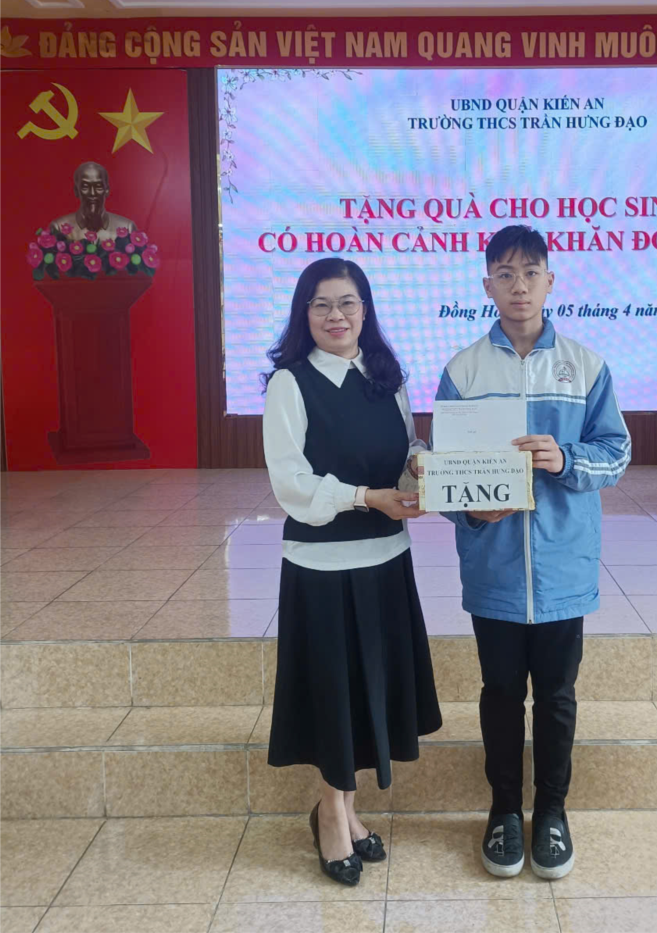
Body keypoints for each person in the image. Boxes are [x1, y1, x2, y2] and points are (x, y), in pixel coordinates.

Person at [435, 225, 630, 881]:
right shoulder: (463, 370)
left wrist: (564, 458)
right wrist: (469, 508)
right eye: (505, 274)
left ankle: (551, 812)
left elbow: (616, 453)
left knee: (555, 695)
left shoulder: (585, 365)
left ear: (551, 281)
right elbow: (444, 473)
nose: (518, 286)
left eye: (530, 273)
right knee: (498, 693)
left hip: (561, 567)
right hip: (493, 567)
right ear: (486, 284)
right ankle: (502, 811)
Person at [263, 257, 442, 887]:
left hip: (386, 560)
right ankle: (332, 813)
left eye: (347, 302)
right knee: (332, 695)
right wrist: (367, 497)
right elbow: (291, 482)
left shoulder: (386, 375)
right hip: (322, 568)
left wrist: (420, 465)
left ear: (365, 310)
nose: (335, 315)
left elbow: (406, 446)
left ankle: (345, 807)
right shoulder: (289, 383)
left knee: (368, 695)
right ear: (303, 314)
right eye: (321, 304)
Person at [50, 162, 137, 242]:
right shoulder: (59, 227)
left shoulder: (127, 228)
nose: (92, 193)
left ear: (107, 190)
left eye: (98, 186)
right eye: (85, 187)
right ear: (76, 191)